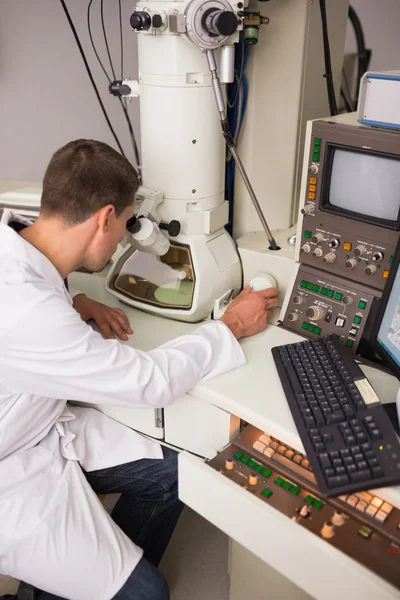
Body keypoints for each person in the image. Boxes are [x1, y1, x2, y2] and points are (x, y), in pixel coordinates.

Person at [0, 139, 279, 600]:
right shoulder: (31, 314)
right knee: (148, 594)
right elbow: (149, 381)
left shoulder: (23, 256)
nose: (127, 234)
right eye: (128, 222)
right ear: (104, 218)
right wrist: (230, 326)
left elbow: (31, 310)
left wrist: (74, 301)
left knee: (174, 474)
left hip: (35, 426)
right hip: (13, 473)